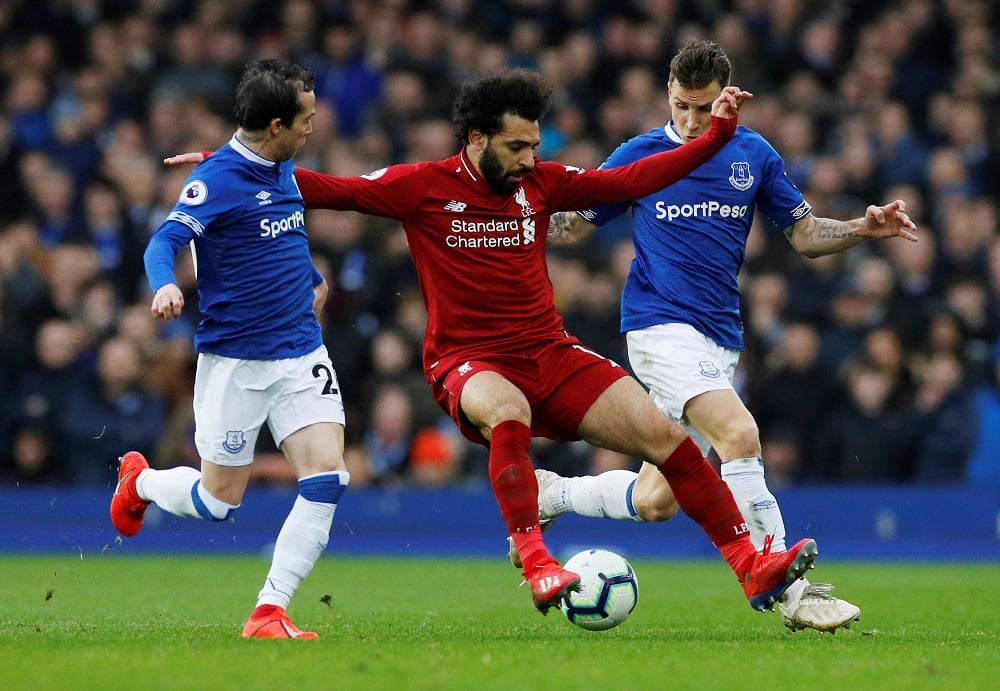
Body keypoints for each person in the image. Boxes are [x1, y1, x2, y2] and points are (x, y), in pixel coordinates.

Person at [171, 67, 821, 618]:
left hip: (550, 352)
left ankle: (751, 564)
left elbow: (636, 181)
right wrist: (223, 167)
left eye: (534, 145)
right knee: (508, 409)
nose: (529, 159)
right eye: (516, 146)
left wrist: (721, 135)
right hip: (466, 362)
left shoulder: (542, 184)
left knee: (667, 437)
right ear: (477, 139)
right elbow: (325, 189)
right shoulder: (421, 186)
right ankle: (536, 558)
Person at [534, 40, 918, 632]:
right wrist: (511, 217)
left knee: (658, 499)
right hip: (658, 329)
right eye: (682, 105)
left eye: (703, 107)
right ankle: (792, 592)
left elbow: (805, 233)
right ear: (668, 91)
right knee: (740, 433)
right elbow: (573, 226)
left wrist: (863, 230)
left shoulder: (752, 156)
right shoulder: (639, 154)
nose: (690, 120)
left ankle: (554, 494)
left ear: (725, 99)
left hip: (719, 338)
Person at [110, 59, 350, 640]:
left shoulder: (284, 168)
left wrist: (310, 280)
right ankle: (139, 482)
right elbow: (164, 240)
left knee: (327, 478)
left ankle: (270, 610)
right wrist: (165, 282)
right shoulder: (216, 180)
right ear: (275, 124)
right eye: (306, 119)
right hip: (235, 363)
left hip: (300, 353)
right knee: (219, 501)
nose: (313, 128)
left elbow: (278, 237)